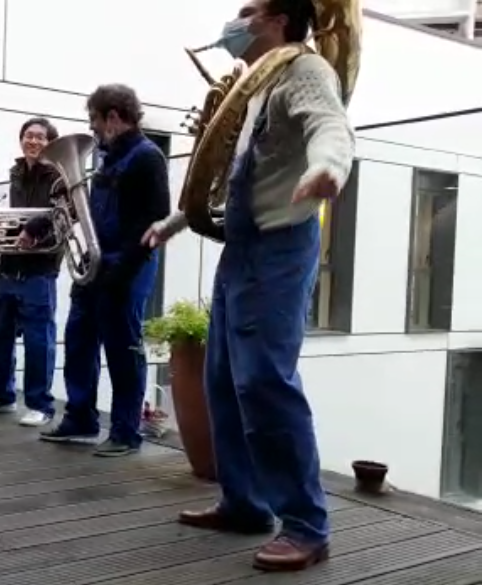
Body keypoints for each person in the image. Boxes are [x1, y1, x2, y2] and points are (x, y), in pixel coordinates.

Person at [142, 0, 354, 572]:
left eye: (248, 10)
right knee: (222, 379)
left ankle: (308, 526)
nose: (235, 21)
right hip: (243, 250)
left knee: (265, 381)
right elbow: (232, 171)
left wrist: (329, 168)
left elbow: (329, 126)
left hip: (280, 248)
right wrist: (172, 223)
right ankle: (244, 503)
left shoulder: (304, 71)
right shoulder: (256, 82)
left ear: (279, 20)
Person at [40, 84, 170, 456]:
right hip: (96, 262)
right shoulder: (106, 156)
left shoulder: (148, 158)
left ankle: (126, 432)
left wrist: (121, 270)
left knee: (122, 350)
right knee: (79, 338)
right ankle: (80, 418)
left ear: (113, 117)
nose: (92, 128)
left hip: (126, 266)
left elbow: (156, 220)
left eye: (94, 120)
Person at [0, 117, 64, 427]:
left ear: (50, 142)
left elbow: (64, 212)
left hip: (40, 268)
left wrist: (33, 230)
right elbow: (16, 216)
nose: (33, 141)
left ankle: (40, 405)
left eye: (40, 137)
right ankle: (2, 396)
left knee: (39, 340)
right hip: (10, 267)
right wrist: (3, 232)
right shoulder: (16, 173)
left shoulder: (59, 174)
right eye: (28, 135)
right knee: (0, 335)